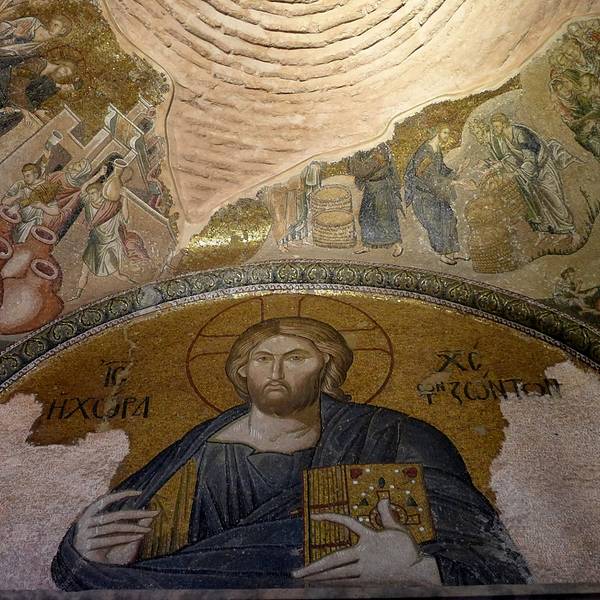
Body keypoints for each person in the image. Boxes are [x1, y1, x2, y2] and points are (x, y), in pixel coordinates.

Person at [52, 317, 531, 590]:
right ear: (242, 371)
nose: (276, 371)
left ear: (327, 368)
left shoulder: (394, 437)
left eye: (296, 358)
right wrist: (86, 555)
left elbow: (498, 563)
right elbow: (101, 556)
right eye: (262, 359)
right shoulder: (196, 450)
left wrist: (422, 571)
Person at [482, 113, 578, 240]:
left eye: (496, 126)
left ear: (504, 124)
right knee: (544, 200)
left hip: (542, 166)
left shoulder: (519, 133)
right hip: (532, 171)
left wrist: (517, 173)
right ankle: (561, 231)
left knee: (554, 198)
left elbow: (530, 158)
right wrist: (500, 165)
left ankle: (572, 232)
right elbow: (511, 157)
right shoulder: (504, 138)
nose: (494, 130)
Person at [404, 124, 470, 265]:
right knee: (435, 224)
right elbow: (428, 176)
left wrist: (457, 171)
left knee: (450, 218)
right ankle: (443, 254)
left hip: (436, 192)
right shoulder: (426, 152)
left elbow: (441, 170)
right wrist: (454, 182)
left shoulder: (436, 149)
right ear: (437, 133)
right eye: (445, 132)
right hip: (424, 195)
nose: (447, 136)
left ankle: (454, 251)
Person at [347, 145, 404, 257]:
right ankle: (367, 244)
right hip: (371, 188)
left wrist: (352, 155)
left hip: (381, 188)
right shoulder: (367, 149)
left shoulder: (380, 150)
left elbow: (363, 170)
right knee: (366, 216)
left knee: (385, 217)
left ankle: (397, 245)